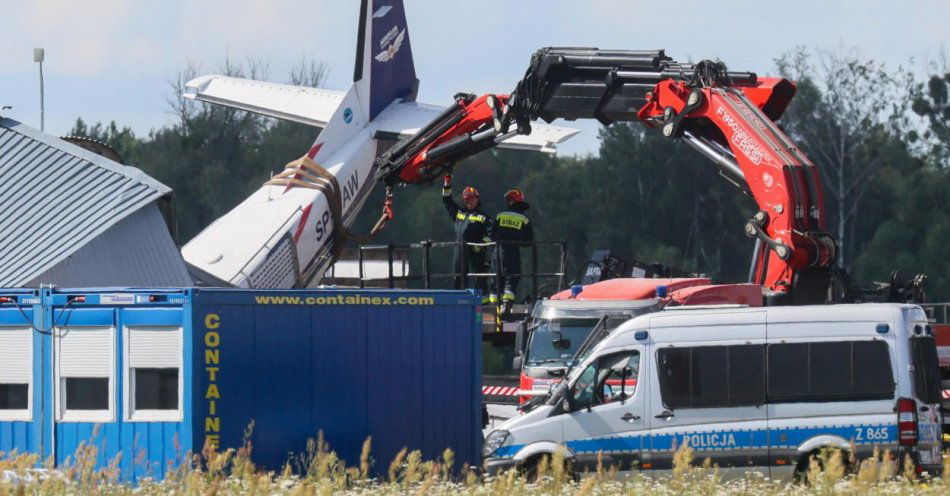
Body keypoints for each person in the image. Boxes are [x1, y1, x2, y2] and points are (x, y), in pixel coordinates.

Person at [442, 174, 493, 301]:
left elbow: (491, 235)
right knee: (458, 277)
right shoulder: (459, 213)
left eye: (471, 199)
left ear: (477, 199)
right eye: (466, 199)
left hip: (476, 251)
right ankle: (459, 302)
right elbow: (447, 200)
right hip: (459, 250)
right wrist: (447, 184)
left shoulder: (484, 217)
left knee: (479, 278)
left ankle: (484, 303)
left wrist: (480, 245)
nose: (468, 201)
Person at [492, 189, 533, 303]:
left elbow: (492, 235)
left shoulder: (499, 215)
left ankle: (493, 306)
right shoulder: (524, 219)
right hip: (512, 252)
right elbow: (529, 241)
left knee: (496, 278)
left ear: (510, 202)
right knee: (513, 275)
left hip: (497, 252)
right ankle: (507, 303)